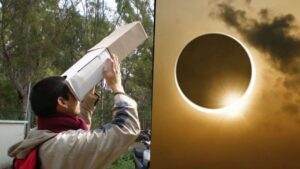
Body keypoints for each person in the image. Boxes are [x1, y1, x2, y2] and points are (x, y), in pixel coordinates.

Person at [8, 54, 140, 169]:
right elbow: (126, 129)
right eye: (73, 93)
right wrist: (117, 86)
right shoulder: (62, 146)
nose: (78, 97)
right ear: (62, 102)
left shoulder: (38, 133)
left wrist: (89, 92)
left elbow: (80, 127)